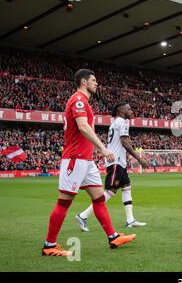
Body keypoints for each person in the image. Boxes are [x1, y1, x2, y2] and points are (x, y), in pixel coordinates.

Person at [41, 69, 136, 257]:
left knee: (99, 197)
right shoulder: (78, 100)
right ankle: (49, 245)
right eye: (93, 80)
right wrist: (103, 148)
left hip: (86, 160)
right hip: (75, 159)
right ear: (84, 82)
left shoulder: (84, 102)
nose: (96, 83)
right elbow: (83, 127)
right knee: (64, 201)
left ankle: (112, 237)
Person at [76, 102, 149, 231]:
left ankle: (130, 219)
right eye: (129, 109)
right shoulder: (122, 122)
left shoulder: (116, 122)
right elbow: (125, 143)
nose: (131, 111)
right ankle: (83, 215)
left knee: (126, 187)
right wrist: (139, 159)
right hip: (116, 162)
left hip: (119, 162)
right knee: (110, 191)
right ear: (121, 110)